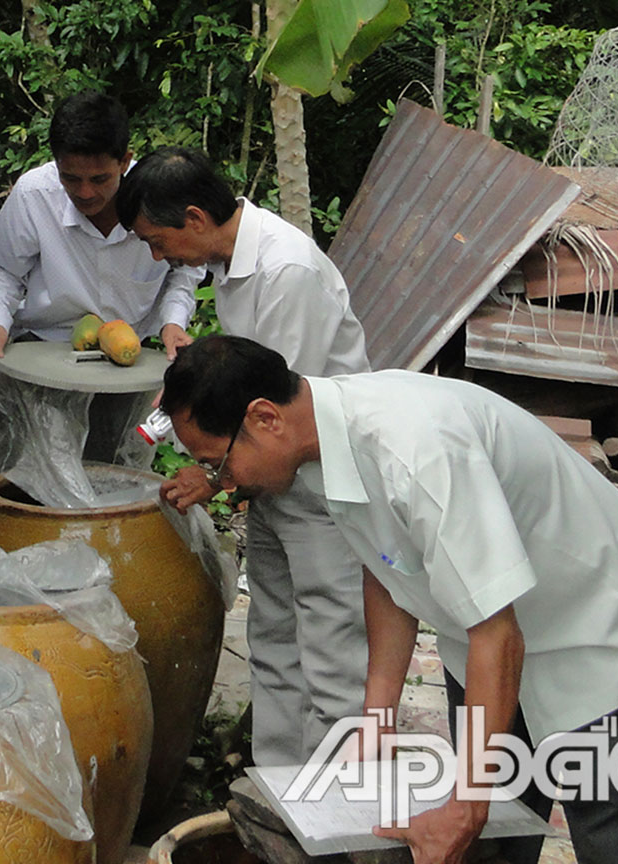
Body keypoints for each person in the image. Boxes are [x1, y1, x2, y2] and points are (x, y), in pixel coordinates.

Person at [161, 334, 618, 864]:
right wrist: (376, 717)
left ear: (264, 418)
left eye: (219, 463)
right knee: (489, 832)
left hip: (591, 623)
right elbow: (388, 568)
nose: (224, 484)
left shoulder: (416, 450)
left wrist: (466, 805)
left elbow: (499, 633)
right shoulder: (324, 442)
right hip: (487, 637)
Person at [114, 146, 369, 769]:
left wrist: (214, 476)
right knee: (274, 638)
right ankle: (279, 789)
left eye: (157, 239)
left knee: (333, 653)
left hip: (319, 486)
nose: (158, 255)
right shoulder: (231, 264)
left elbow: (271, 416)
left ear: (195, 218)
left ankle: (336, 806)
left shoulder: (286, 272)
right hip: (269, 483)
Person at [0, 91, 205, 462]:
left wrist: (173, 323)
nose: (85, 192)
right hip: (40, 352)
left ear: (125, 161)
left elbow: (186, 268)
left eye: (100, 178)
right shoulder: (35, 195)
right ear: (56, 163)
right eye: (71, 178)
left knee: (107, 477)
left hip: (127, 361)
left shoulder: (159, 195)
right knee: (7, 476)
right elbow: (5, 270)